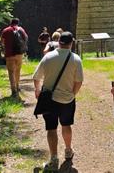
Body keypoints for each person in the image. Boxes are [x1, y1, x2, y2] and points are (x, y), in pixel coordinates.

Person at [33, 31, 83, 171]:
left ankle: (54, 158)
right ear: (71, 43)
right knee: (66, 125)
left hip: (49, 99)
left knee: (51, 128)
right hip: (67, 99)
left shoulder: (48, 57)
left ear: (58, 41)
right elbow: (79, 81)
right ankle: (68, 150)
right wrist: (73, 93)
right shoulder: (76, 59)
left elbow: (36, 77)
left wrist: (37, 91)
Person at [1, 18, 28, 98]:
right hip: (19, 54)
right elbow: (26, 38)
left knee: (11, 72)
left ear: (10, 23)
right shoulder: (21, 30)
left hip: (9, 54)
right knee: (17, 70)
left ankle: (13, 90)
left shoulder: (6, 30)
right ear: (18, 23)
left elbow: (2, 42)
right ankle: (17, 86)